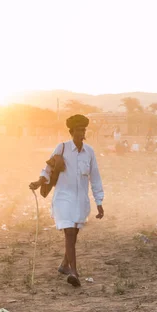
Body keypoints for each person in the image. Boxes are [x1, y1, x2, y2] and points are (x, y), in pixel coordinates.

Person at [29, 114, 105, 287]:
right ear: (71, 132)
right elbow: (48, 168)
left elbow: (95, 178)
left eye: (83, 130)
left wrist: (99, 202)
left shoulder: (89, 152)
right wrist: (38, 182)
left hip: (81, 200)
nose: (81, 133)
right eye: (78, 130)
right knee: (69, 233)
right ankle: (74, 272)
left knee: (74, 234)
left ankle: (64, 264)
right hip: (63, 197)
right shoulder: (61, 148)